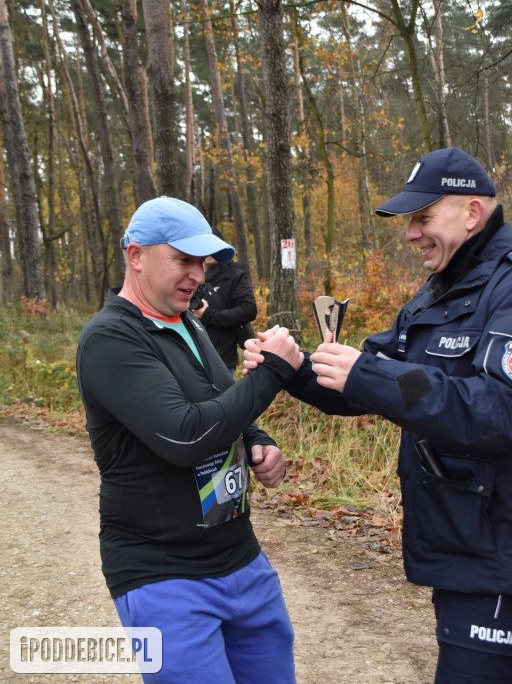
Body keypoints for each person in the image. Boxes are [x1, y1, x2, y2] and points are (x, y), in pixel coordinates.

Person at [244, 147, 512, 684]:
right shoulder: (438, 292)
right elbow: (372, 384)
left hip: (499, 562)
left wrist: (369, 375)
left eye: (422, 218)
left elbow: (498, 410)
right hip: (465, 550)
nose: (411, 235)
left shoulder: (505, 286)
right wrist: (294, 367)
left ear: (472, 214)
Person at [76, 196, 303, 684]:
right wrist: (275, 374)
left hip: (241, 559)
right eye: (183, 260)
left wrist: (259, 441)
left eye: (201, 263)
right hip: (163, 575)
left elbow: (221, 403)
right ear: (136, 256)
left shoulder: (188, 323)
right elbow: (185, 435)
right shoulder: (110, 339)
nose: (198, 275)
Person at [191, 228, 257, 375]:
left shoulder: (234, 275)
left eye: (213, 247)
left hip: (223, 357)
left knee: (225, 397)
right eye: (204, 247)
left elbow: (249, 309)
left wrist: (209, 314)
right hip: (192, 355)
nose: (209, 252)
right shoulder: (190, 276)